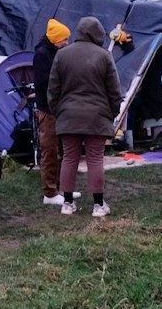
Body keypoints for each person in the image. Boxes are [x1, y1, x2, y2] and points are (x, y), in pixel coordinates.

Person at [47, 16, 123, 218]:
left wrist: (59, 111)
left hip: (68, 115)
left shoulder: (62, 55)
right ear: (97, 33)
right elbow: (114, 90)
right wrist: (112, 112)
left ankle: (67, 203)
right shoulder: (104, 56)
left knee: (69, 158)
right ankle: (98, 205)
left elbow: (53, 89)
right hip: (97, 116)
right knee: (95, 158)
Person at [31, 18, 70, 205]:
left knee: (62, 148)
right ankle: (50, 192)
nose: (67, 43)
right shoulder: (41, 55)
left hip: (59, 108)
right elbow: (41, 82)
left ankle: (60, 188)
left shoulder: (56, 53)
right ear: (56, 39)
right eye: (64, 40)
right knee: (50, 149)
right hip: (47, 109)